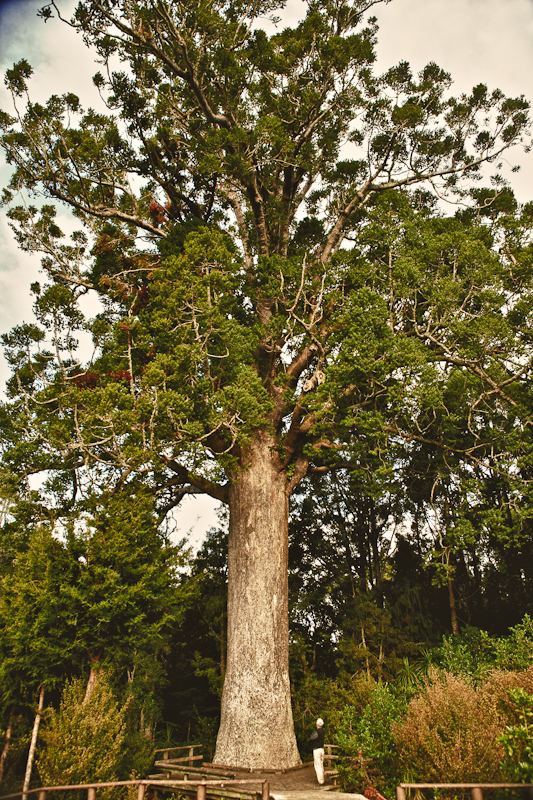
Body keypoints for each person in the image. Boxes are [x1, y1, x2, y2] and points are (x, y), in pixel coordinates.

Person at [310, 717, 325, 785]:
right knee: (321, 765)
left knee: (318, 765)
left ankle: (321, 781)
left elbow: (311, 737)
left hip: (317, 750)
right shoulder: (323, 731)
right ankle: (322, 779)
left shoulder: (316, 732)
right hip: (322, 749)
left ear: (317, 724)